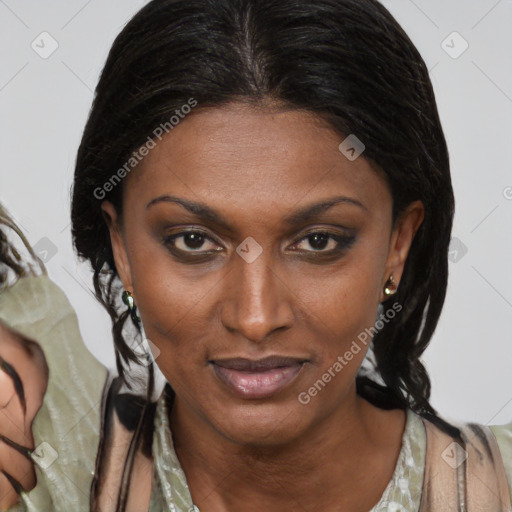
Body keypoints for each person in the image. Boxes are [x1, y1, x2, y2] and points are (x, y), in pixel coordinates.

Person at [1, 0, 511, 511]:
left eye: (318, 241)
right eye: (193, 241)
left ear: (397, 244)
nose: (256, 318)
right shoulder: (45, 473)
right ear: (122, 249)